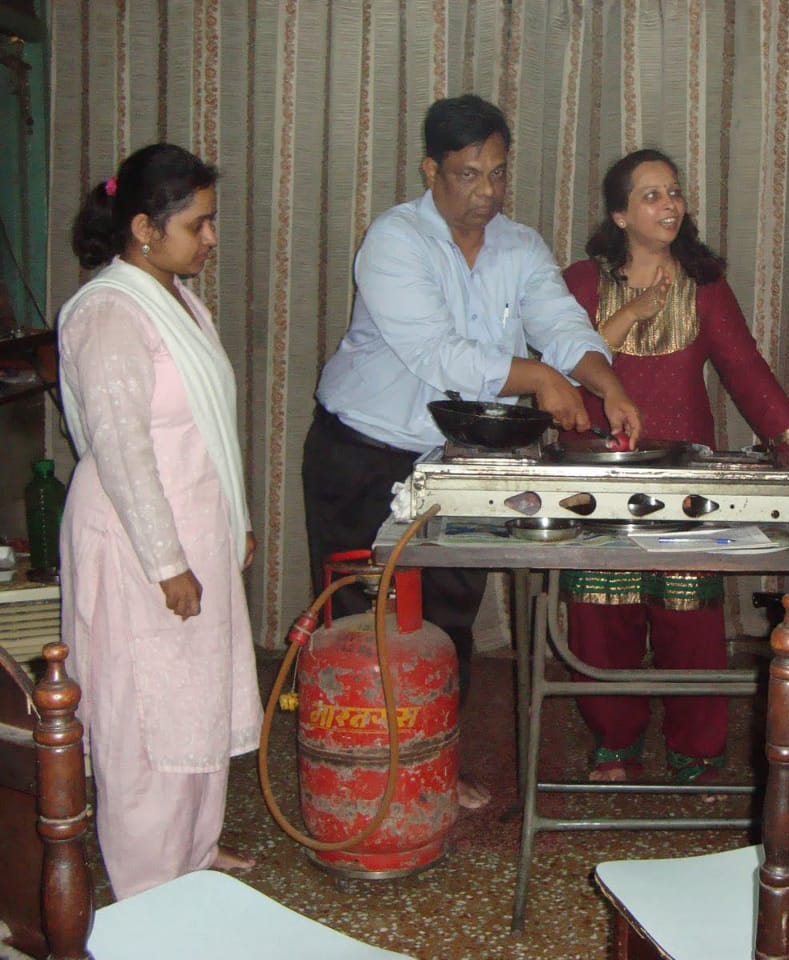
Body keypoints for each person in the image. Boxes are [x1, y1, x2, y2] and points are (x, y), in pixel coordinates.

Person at [301, 95, 641, 809]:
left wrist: (608, 387)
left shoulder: (520, 246)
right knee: (357, 620)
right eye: (467, 175)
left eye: (497, 173)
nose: (486, 192)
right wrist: (541, 380)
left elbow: (562, 324)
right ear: (431, 170)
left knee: (448, 617)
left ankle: (434, 767)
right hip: (362, 451)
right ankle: (355, 776)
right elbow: (439, 354)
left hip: (453, 461)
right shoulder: (394, 240)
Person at [560, 149, 789, 783]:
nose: (669, 205)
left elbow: (748, 373)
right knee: (602, 616)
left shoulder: (704, 285)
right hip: (599, 483)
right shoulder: (579, 283)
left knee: (691, 621)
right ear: (620, 214)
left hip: (687, 487)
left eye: (674, 192)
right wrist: (632, 314)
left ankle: (697, 749)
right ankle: (616, 744)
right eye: (651, 195)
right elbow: (561, 360)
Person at [57, 143, 262, 898]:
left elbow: (207, 424)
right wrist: (166, 562)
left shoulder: (177, 298)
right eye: (199, 224)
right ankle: (149, 883)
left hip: (193, 528)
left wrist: (233, 518)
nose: (210, 239)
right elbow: (122, 452)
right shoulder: (109, 313)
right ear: (144, 227)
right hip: (138, 541)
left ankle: (194, 851)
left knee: (196, 702)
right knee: (143, 719)